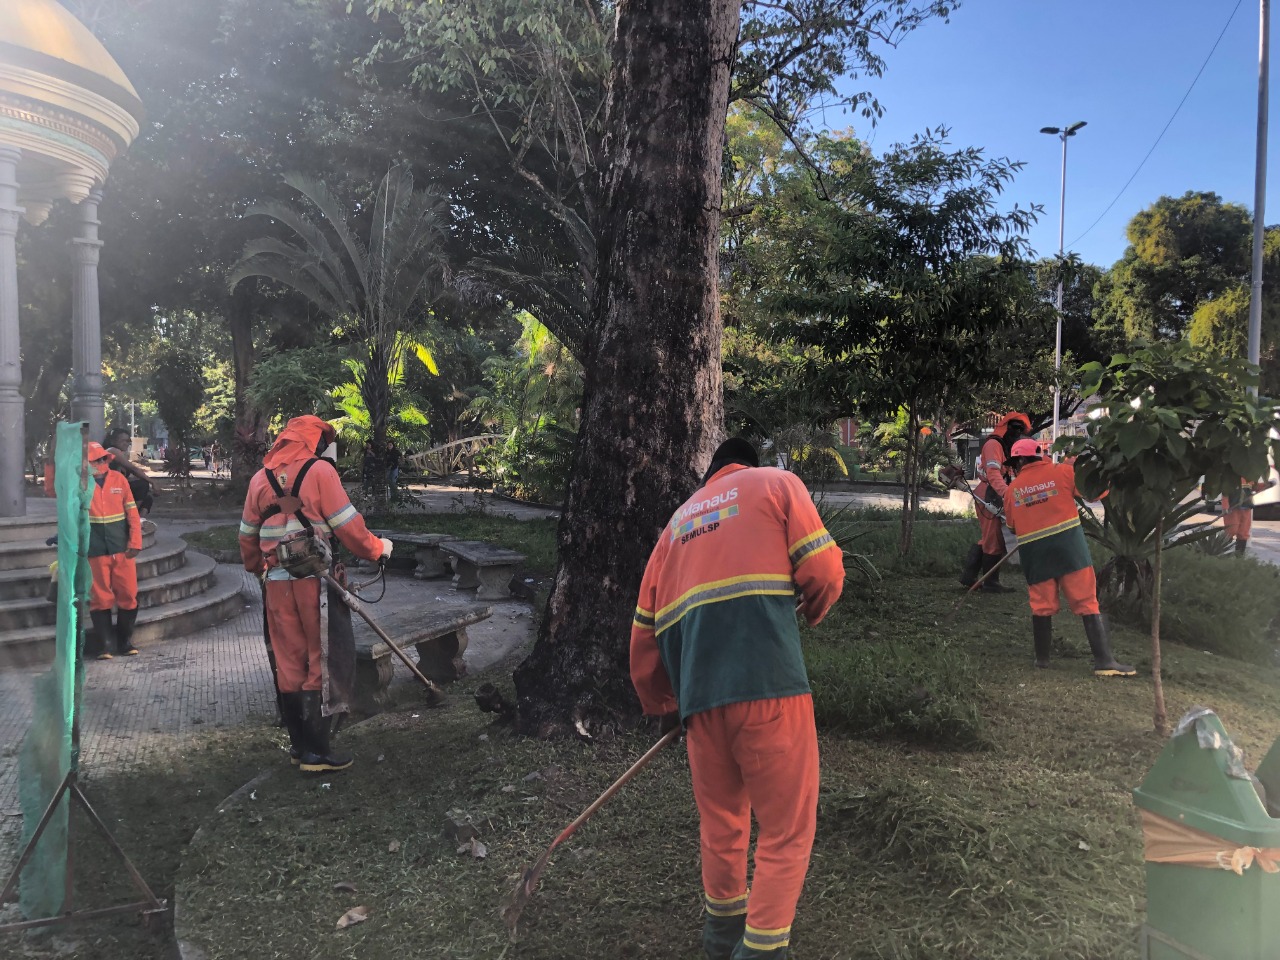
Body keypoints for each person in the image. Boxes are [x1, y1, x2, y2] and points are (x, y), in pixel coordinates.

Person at [630, 437, 845, 960]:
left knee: (723, 822)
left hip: (700, 703)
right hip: (771, 687)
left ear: (711, 475)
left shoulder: (675, 526)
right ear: (746, 464)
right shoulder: (777, 484)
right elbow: (824, 572)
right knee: (786, 828)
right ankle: (762, 949)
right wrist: (812, 610)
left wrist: (665, 706)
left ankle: (722, 937)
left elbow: (642, 636)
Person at [239, 416, 393, 773]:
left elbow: (247, 536)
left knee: (288, 662)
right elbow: (349, 527)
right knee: (321, 660)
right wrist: (378, 549)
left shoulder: (259, 480)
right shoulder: (320, 472)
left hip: (276, 584)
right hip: (317, 583)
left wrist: (257, 569)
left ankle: (300, 747)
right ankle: (319, 752)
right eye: (322, 441)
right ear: (313, 440)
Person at [1002, 438, 1135, 677]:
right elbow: (1095, 494)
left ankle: (1042, 660)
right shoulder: (1061, 471)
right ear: (1039, 455)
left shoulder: (1012, 490)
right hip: (1069, 550)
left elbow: (1012, 526)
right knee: (1086, 601)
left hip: (1035, 554)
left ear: (1019, 460)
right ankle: (1104, 661)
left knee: (1042, 606)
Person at [958, 411, 1031, 593]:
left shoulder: (1007, 447)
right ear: (1006, 428)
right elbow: (993, 474)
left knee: (992, 538)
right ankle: (990, 583)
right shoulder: (994, 445)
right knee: (993, 539)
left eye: (1020, 431)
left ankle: (970, 577)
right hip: (988, 495)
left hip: (997, 494)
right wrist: (1008, 495)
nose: (1017, 433)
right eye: (1014, 429)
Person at [85, 441, 143, 660]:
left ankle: (125, 641)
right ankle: (106, 645)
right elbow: (56, 494)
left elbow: (133, 514)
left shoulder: (119, 480)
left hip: (122, 549)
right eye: (94, 460)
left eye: (102, 458)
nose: (99, 463)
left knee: (128, 594)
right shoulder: (80, 485)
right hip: (95, 549)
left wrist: (135, 542)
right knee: (100, 597)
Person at [104, 427, 155, 515]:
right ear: (113, 441)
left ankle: (139, 522)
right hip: (110, 489)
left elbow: (132, 473)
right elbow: (133, 469)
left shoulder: (122, 453)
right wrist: (152, 482)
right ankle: (130, 516)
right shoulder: (112, 450)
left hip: (119, 488)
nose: (126, 443)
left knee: (147, 498)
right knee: (142, 485)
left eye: (128, 441)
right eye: (123, 441)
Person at [1221, 478, 1274, 556]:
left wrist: (1267, 485)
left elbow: (1256, 487)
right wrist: (1225, 507)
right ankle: (1222, 551)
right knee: (1231, 530)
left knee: (1243, 532)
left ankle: (1239, 556)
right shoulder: (1231, 476)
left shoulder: (1249, 477)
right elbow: (1225, 493)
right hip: (1233, 509)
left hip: (1246, 508)